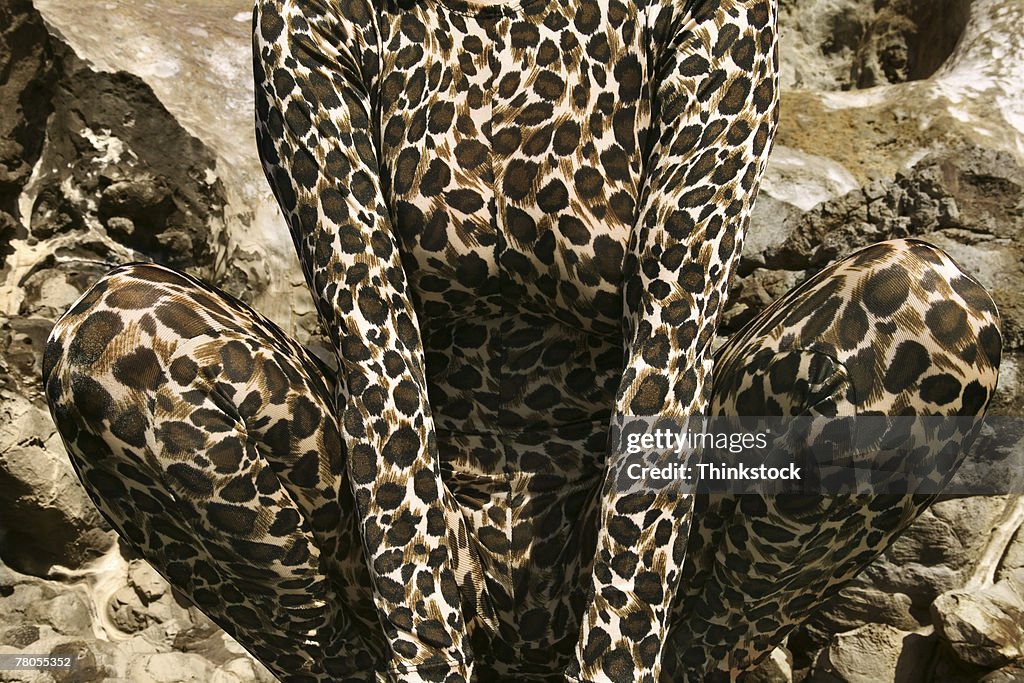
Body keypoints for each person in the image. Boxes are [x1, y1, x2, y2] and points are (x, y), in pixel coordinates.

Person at [42, 0, 1002, 681]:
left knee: (925, 311)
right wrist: (423, 648)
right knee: (115, 345)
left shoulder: (706, 14)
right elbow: (378, 363)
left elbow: (669, 365)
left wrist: (621, 654)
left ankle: (700, 659)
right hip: (406, 504)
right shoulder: (323, 16)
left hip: (663, 485)